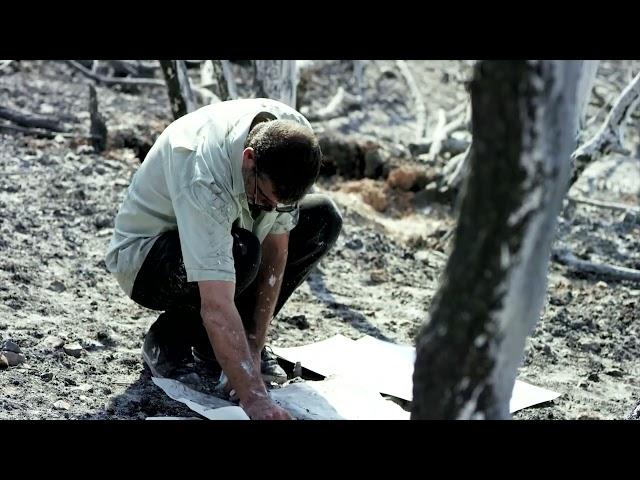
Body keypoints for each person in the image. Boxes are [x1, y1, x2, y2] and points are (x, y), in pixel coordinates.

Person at [105, 98, 342, 420]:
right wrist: (255, 399)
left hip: (233, 239)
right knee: (241, 251)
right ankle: (168, 339)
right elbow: (216, 303)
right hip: (148, 260)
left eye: (278, 204)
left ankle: (220, 348)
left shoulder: (293, 137)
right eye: (264, 197)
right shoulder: (203, 170)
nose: (269, 208)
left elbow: (277, 251)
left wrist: (254, 346)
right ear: (248, 160)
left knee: (322, 219)